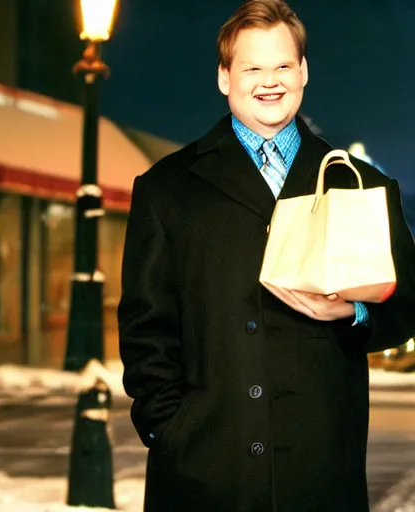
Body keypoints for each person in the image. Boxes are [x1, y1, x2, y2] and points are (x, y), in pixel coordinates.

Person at [117, 1, 415, 510]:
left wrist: (354, 311)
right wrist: (171, 430)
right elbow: (146, 329)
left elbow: (407, 305)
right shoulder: (166, 188)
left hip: (321, 471)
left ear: (303, 71)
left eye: (282, 65)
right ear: (224, 77)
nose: (269, 80)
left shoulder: (362, 184)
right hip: (203, 472)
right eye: (252, 67)